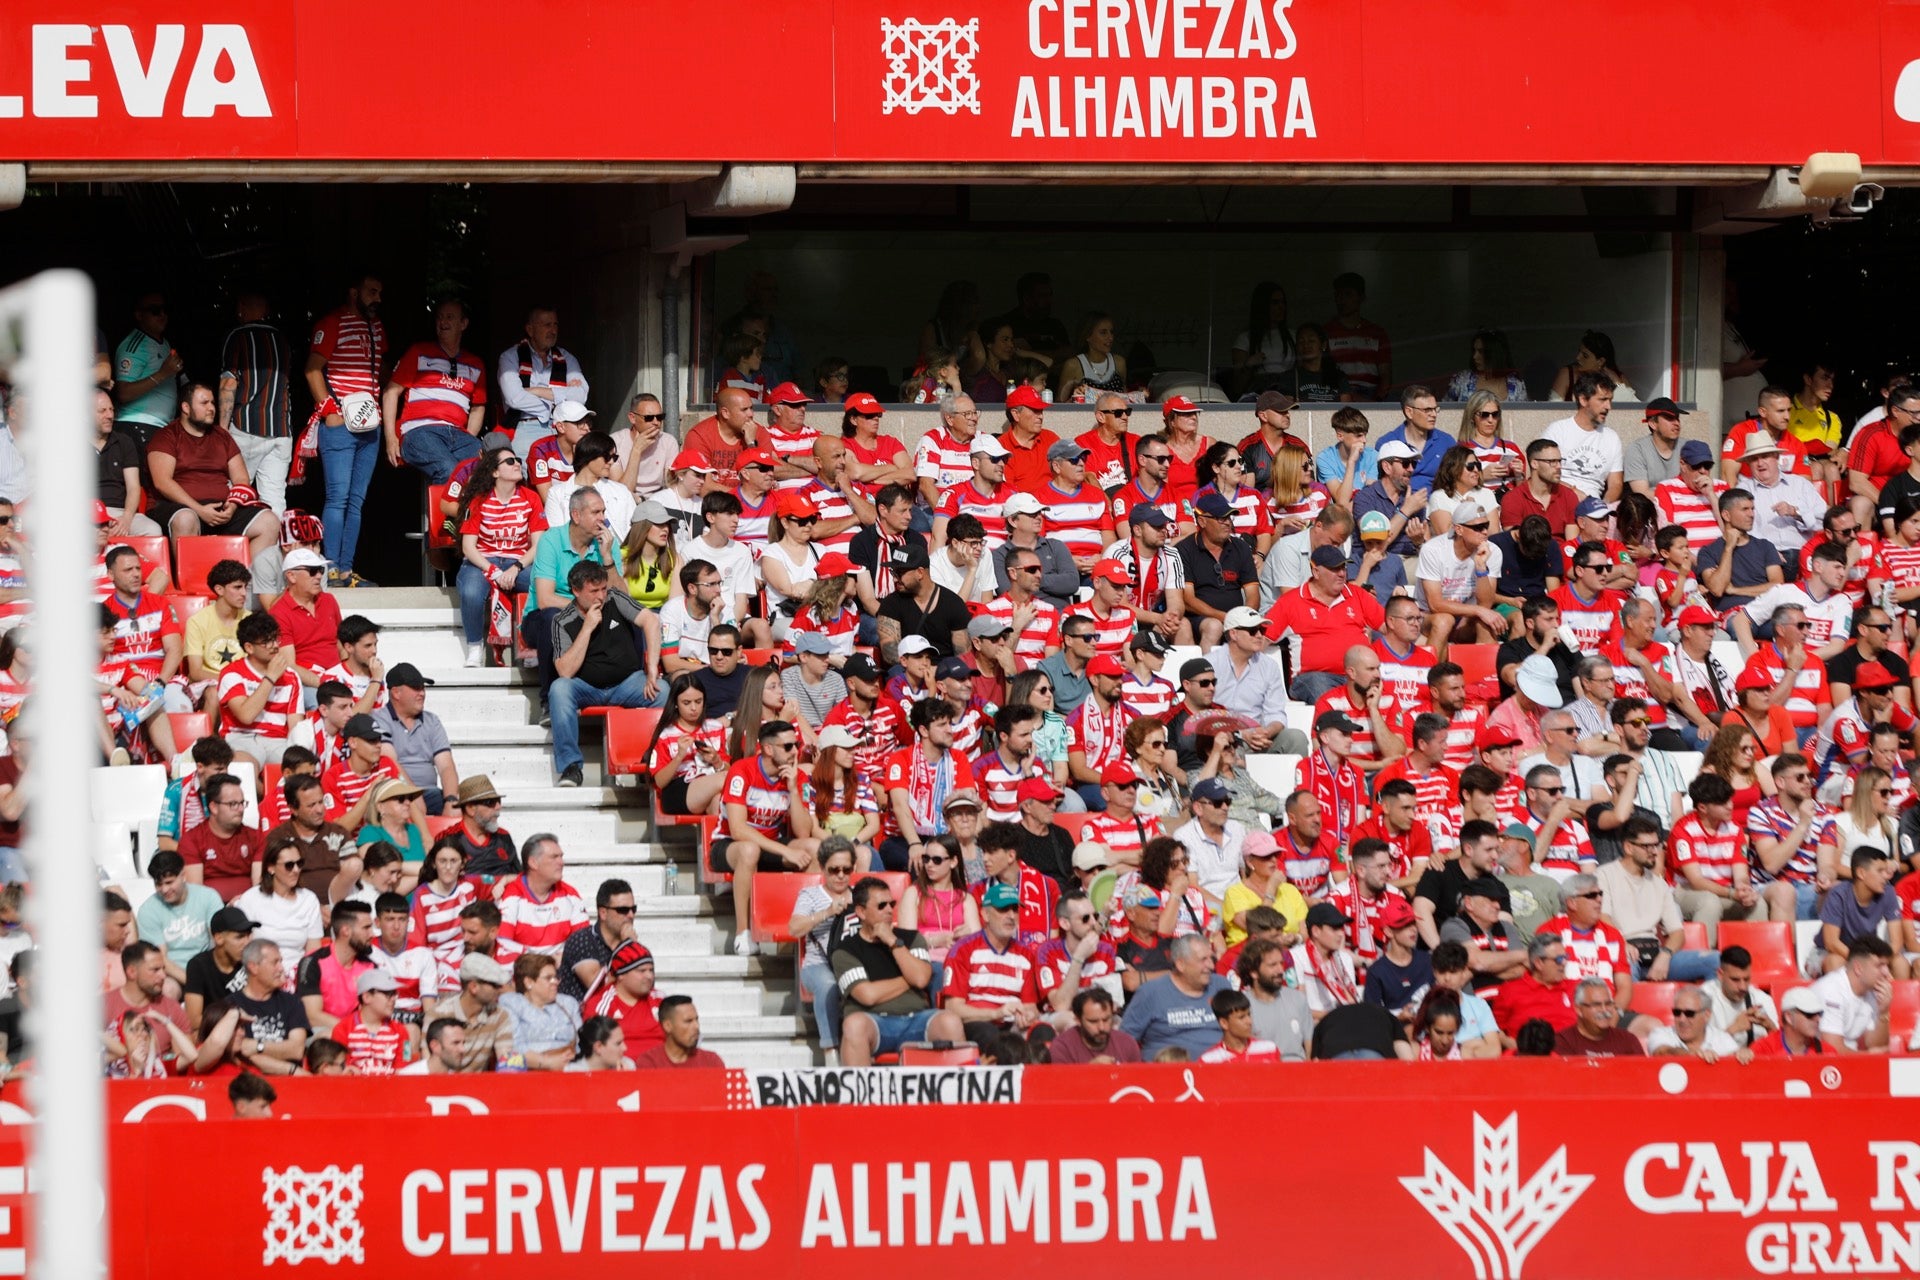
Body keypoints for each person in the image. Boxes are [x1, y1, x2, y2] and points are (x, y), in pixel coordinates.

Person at [147, 384, 282, 596]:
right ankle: (191, 590)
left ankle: (245, 588)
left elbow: (241, 478)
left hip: (221, 507)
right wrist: (199, 510)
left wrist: (234, 504)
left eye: (212, 403)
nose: (212, 408)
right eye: (204, 403)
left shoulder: (222, 436)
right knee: (186, 518)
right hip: (180, 507)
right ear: (185, 407)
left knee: (269, 522)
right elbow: (162, 481)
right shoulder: (167, 435)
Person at [304, 272, 388, 586]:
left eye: (379, 292)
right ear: (354, 292)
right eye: (371, 291)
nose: (377, 298)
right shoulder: (333, 322)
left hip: (370, 424)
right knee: (338, 498)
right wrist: (329, 411)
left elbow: (379, 369)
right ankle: (331, 569)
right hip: (341, 422)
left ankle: (346, 570)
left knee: (356, 500)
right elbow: (312, 369)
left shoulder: (377, 327)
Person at [831, 876, 964, 1065]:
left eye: (891, 904)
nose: (889, 910)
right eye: (881, 905)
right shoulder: (845, 950)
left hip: (917, 1019)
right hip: (874, 1021)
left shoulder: (910, 938)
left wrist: (893, 943)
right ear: (860, 911)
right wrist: (907, 979)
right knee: (853, 1025)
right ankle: (860, 1094)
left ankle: (956, 1093)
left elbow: (921, 979)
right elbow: (867, 995)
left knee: (949, 1021)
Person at [719, 719, 820, 955]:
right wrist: (785, 851)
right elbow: (738, 830)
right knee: (749, 850)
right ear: (768, 749)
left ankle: (805, 928)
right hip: (729, 845)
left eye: (796, 745)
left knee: (814, 848)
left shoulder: (797, 777)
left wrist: (794, 789)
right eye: (788, 747)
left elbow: (803, 831)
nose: (795, 751)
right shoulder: (742, 770)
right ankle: (743, 933)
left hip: (770, 845)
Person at [1264, 545, 1387, 704]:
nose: (1342, 574)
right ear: (1316, 572)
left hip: (1357, 675)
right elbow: (1262, 637)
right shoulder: (1291, 602)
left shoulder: (1357, 595)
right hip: (1313, 677)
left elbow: (1389, 627)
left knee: (1383, 683)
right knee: (1323, 689)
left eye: (1343, 567)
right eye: (1335, 569)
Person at [382, 297, 486, 484]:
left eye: (449, 317)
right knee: (450, 470)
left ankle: (475, 514)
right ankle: (450, 514)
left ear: (463, 324)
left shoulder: (476, 364)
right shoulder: (419, 351)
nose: (443, 322)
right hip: (420, 432)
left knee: (490, 468)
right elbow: (390, 392)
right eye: (439, 318)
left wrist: (468, 437)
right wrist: (390, 438)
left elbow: (478, 407)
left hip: (458, 435)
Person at [496, 306, 588, 459]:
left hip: (564, 429)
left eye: (555, 325)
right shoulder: (511, 357)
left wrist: (536, 391)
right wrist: (557, 402)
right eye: (547, 325)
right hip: (526, 426)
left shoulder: (567, 359)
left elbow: (581, 397)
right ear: (530, 330)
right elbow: (514, 398)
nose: (553, 330)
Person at [1120, 933, 1231, 1057]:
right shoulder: (1151, 993)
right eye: (1203, 960)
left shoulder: (1220, 985)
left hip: (1218, 1068)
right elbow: (1124, 1041)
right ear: (1180, 965)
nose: (1211, 965)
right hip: (1168, 1070)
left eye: (1211, 958)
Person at [370, 664, 460, 817]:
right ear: (396, 693)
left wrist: (451, 800)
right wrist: (413, 795)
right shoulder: (379, 718)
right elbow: (391, 764)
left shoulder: (432, 721)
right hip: (395, 792)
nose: (422, 693)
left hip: (431, 793)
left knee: (467, 808)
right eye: (416, 688)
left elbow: (446, 766)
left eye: (423, 688)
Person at [1177, 492, 1259, 648]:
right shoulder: (1184, 550)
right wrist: (1226, 617)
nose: (1228, 523)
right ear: (1202, 521)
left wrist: (1244, 617)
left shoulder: (1240, 547)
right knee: (1214, 627)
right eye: (1221, 518)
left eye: (1229, 518)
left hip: (1237, 618)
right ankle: (1207, 671)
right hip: (1200, 618)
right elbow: (1188, 599)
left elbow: (1253, 593)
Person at [1812, 848, 1909, 976]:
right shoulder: (1838, 894)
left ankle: (1897, 996)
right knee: (1836, 962)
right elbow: (1831, 943)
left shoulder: (1888, 892)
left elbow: (1897, 942)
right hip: (1829, 952)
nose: (1886, 876)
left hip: (1867, 953)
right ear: (1861, 873)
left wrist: (1879, 961)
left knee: (1900, 963)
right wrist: (1866, 963)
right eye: (1880, 871)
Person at [225, 938, 312, 1076]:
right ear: (253, 967)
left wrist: (257, 1046)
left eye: (281, 961)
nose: (281, 968)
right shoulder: (230, 1005)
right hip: (249, 1082)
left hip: (290, 1084)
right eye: (275, 962)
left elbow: (296, 1049)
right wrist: (291, 1069)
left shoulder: (292, 1002)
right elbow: (242, 1055)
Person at [114, 290, 185, 443]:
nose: (162, 315)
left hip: (161, 427)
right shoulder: (133, 345)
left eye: (165, 310)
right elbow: (123, 393)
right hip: (136, 425)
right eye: (155, 310)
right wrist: (163, 373)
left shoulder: (165, 344)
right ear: (139, 315)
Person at [495, 953, 582, 1071]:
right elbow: (513, 1048)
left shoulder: (568, 1003)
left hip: (571, 1067)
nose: (555, 981)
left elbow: (581, 1041)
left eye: (556, 977)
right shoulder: (512, 1003)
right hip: (529, 1072)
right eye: (548, 978)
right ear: (529, 982)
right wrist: (548, 1062)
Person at [1809, 934, 1895, 1052]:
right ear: (1858, 968)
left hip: (1851, 1058)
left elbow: (1875, 1044)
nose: (1886, 972)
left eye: (1887, 966)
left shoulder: (1872, 990)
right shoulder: (1831, 991)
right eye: (1879, 965)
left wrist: (1884, 1012)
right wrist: (1870, 1058)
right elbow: (1832, 1049)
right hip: (1822, 1064)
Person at [1324, 272, 1392, 400]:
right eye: (1338, 294)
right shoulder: (1326, 332)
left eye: (1348, 294)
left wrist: (1377, 403)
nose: (1342, 300)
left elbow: (1385, 375)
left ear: (1361, 297)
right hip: (1337, 394)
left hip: (1370, 394)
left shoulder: (1377, 333)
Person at [1553, 975, 1646, 1057]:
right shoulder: (1563, 1042)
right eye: (1596, 1005)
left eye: (1608, 1004)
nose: (1604, 1010)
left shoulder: (1628, 1041)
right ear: (1578, 1009)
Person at [1044, 987, 1142, 1064]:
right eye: (1093, 1021)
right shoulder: (1062, 1048)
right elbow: (1061, 1085)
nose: (1101, 1027)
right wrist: (1090, 1070)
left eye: (1106, 1019)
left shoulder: (1127, 1044)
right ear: (1078, 1020)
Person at [632, 995, 725, 1069]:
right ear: (667, 1026)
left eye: (696, 1020)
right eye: (688, 1021)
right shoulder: (650, 1063)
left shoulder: (711, 1062)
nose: (696, 1026)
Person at [1750, 986, 1830, 1059]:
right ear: (1789, 1017)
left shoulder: (1827, 1052)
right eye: (1810, 1014)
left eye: (1819, 1014)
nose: (1818, 1019)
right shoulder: (1763, 1049)